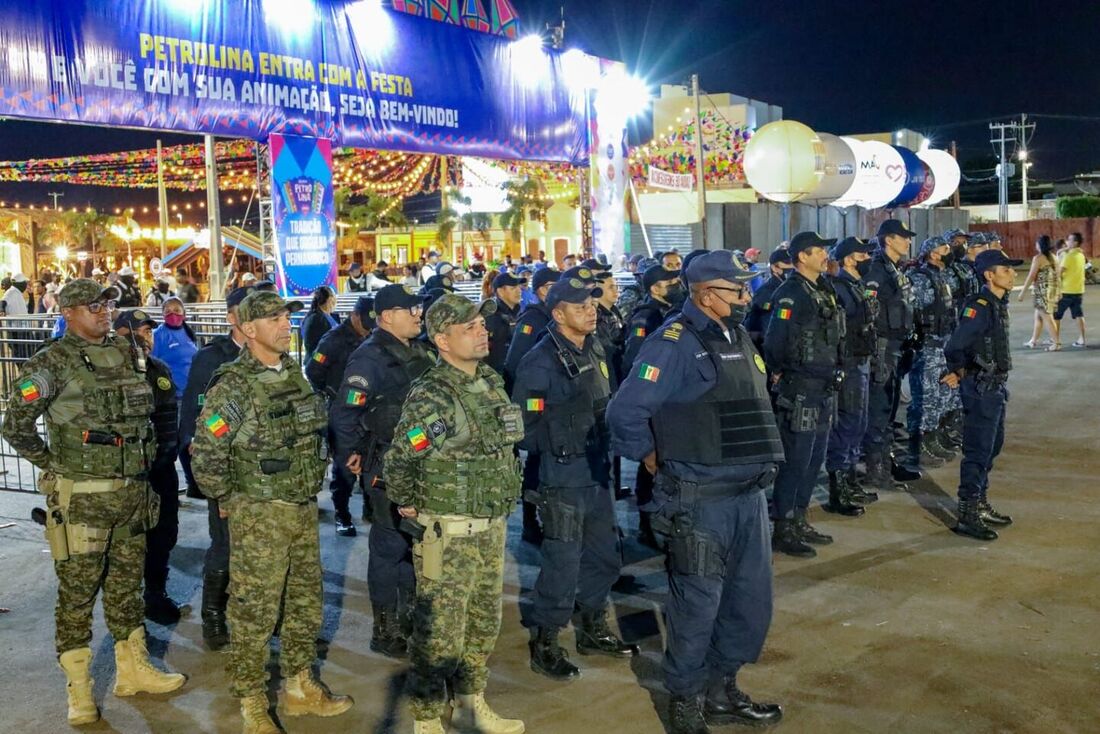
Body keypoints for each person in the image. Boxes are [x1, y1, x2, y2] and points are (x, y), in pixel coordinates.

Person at [607, 251, 783, 733]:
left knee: (747, 604)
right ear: (706, 294)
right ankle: (684, 704)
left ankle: (721, 690)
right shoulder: (673, 343)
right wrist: (653, 457)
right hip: (699, 503)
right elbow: (625, 413)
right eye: (737, 290)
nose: (747, 297)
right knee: (696, 608)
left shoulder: (735, 334)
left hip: (747, 497)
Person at [1, 279, 186, 726]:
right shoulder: (52, 362)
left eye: (106, 304)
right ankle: (80, 690)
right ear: (68, 312)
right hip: (83, 500)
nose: (104, 312)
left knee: (126, 587)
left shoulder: (129, 353)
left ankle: (132, 668)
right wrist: (54, 463)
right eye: (92, 306)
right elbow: (15, 423)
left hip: (132, 492)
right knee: (78, 594)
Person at [192, 290, 353, 732]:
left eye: (286, 317)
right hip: (259, 513)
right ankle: (252, 703)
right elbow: (205, 453)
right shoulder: (234, 386)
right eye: (274, 319)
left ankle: (301, 687)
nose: (285, 325)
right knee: (254, 611)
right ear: (248, 330)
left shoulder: (292, 374)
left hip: (300, 509)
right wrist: (231, 499)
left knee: (304, 604)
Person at [384, 293, 525, 734]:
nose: (482, 331)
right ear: (442, 340)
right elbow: (402, 456)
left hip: (490, 526)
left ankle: (470, 703)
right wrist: (408, 501)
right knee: (438, 632)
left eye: (482, 324)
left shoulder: (490, 381)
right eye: (470, 328)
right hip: (449, 532)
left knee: (484, 624)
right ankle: (427, 720)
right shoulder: (434, 395)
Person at [512, 277, 637, 682]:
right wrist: (562, 439)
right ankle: (546, 641)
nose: (591, 310)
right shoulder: (540, 361)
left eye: (592, 304)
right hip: (563, 475)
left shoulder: (595, 345)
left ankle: (592, 627)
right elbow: (523, 426)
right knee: (562, 563)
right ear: (558, 312)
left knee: (605, 556)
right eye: (580, 305)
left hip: (597, 471)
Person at [330, 284, 434, 658]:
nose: (418, 315)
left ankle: (409, 617)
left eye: (418, 309)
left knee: (415, 543)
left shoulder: (420, 350)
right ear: (387, 316)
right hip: (388, 464)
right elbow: (344, 414)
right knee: (390, 546)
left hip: (422, 463)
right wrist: (353, 453)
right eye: (411, 310)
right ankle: (385, 627)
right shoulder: (368, 358)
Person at [764, 232, 849, 558]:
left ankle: (799, 518)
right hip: (800, 388)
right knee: (796, 460)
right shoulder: (791, 294)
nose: (826, 254)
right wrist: (786, 370)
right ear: (802, 257)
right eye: (820, 250)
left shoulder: (822, 288)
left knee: (814, 460)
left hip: (823, 386)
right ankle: (783, 526)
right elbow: (776, 342)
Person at [178, 286, 250, 651]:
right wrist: (201, 469)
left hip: (263, 471)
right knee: (224, 543)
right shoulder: (213, 357)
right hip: (226, 466)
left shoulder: (273, 357)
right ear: (233, 317)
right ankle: (213, 616)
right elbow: (193, 411)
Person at [113, 308, 189, 624]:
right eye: (140, 331)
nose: (147, 337)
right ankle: (126, 606)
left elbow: (168, 415)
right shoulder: (110, 372)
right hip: (128, 474)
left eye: (149, 332)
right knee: (129, 542)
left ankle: (155, 594)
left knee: (164, 533)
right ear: (121, 334)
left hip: (162, 470)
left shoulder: (159, 369)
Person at [942, 250, 1022, 541]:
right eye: (1006, 270)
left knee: (992, 447)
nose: (1012, 274)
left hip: (996, 387)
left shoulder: (998, 304)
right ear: (989, 275)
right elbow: (955, 345)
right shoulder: (979, 305)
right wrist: (958, 370)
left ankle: (981, 502)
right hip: (980, 388)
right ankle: (968, 513)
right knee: (977, 451)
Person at [305, 295, 375, 536]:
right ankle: (342, 514)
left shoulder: (373, 337)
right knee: (344, 468)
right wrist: (333, 395)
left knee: (371, 461)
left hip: (368, 412)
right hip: (342, 414)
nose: (368, 328)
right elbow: (313, 371)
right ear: (354, 316)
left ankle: (370, 507)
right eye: (365, 322)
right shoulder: (333, 340)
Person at [501, 267, 561, 544]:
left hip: (560, 405)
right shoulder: (533, 319)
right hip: (540, 405)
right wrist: (535, 403)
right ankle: (529, 521)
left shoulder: (557, 316)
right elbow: (516, 364)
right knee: (536, 463)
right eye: (554, 285)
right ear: (542, 291)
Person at [861, 220, 920, 492]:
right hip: (882, 349)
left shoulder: (893, 269)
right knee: (879, 411)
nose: (908, 241)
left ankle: (888, 462)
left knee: (889, 411)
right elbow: (869, 314)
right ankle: (876, 471)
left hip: (896, 347)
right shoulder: (877, 271)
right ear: (888, 240)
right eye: (903, 237)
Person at [825, 238, 879, 509]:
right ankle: (839, 489)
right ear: (848, 259)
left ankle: (850, 480)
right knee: (846, 424)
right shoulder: (840, 288)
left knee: (859, 422)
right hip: (847, 364)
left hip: (861, 361)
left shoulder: (856, 286)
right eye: (862, 255)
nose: (867, 258)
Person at [906, 237, 961, 468]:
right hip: (927, 345)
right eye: (945, 248)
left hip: (944, 343)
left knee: (941, 394)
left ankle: (934, 437)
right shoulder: (919, 278)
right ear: (933, 254)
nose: (950, 251)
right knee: (925, 398)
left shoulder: (943, 276)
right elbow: (915, 307)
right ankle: (918, 446)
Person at [151, 297, 199, 403]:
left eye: (177, 310)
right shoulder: (157, 335)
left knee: (208, 418)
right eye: (168, 311)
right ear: (162, 315)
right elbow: (152, 364)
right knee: (181, 419)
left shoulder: (188, 332)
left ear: (184, 313)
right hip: (174, 395)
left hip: (194, 390)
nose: (172, 314)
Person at [744, 248, 793, 350]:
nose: (791, 266)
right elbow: (756, 322)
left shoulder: (793, 288)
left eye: (793, 262)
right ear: (774, 268)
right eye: (787, 263)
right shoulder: (766, 292)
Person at [1019, 235, 1061, 350]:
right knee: (1039, 317)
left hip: (1042, 292)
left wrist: (1022, 292)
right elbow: (1058, 276)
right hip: (1052, 291)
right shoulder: (1054, 257)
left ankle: (1056, 343)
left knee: (1047, 318)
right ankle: (1033, 341)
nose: (1035, 245)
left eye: (1037, 243)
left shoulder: (1038, 258)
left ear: (1040, 245)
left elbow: (1031, 276)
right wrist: (1059, 291)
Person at [485, 272, 525, 375]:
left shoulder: (521, 313)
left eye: (519, 287)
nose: (519, 291)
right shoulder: (490, 316)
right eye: (513, 288)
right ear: (500, 291)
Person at [1054, 231, 1087, 348]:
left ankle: (1056, 340)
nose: (1067, 242)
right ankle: (1082, 339)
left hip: (1066, 291)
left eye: (1070, 240)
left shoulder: (1069, 256)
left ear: (1075, 242)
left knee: (1055, 316)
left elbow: (1058, 273)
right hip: (1078, 290)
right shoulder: (1081, 255)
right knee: (1078, 315)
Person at [301, 285, 338, 357]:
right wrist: (324, 363)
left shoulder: (326, 316)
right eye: (334, 297)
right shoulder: (316, 319)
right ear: (330, 299)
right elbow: (313, 349)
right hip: (319, 363)